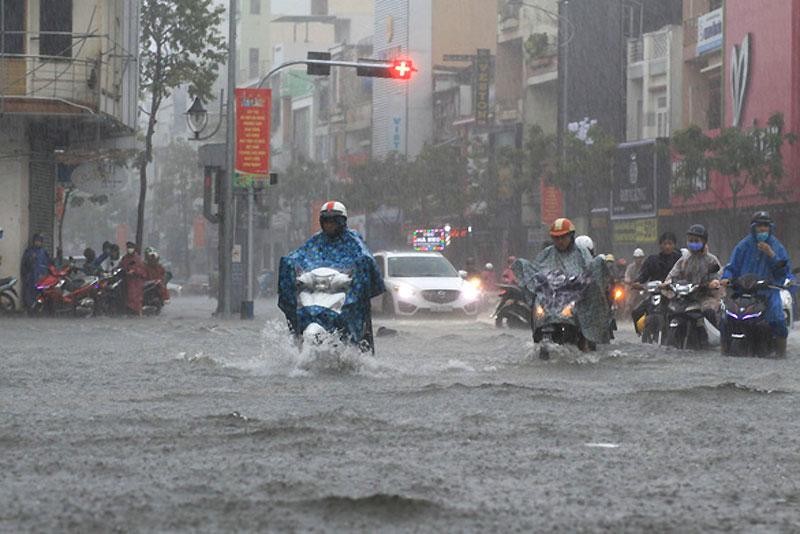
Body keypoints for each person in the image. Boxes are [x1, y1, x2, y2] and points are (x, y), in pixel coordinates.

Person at [278, 201, 384, 349]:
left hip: (344, 288)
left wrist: (358, 272)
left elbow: (365, 257)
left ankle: (355, 340)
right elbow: (299, 255)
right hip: (317, 287)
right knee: (299, 310)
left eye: (333, 221)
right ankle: (297, 332)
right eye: (326, 221)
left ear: (341, 222)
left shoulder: (353, 240)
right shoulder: (316, 240)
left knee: (356, 313)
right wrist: (289, 265)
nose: (329, 225)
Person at [512, 218, 611, 349]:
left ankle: (586, 340)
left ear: (571, 236)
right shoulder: (546, 253)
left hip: (576, 296)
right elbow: (537, 270)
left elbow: (590, 269)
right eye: (556, 238)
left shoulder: (581, 253)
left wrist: (583, 280)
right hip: (551, 297)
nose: (560, 241)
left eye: (563, 237)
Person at [720, 211, 793, 356]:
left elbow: (784, 271)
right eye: (759, 226)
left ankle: (781, 353)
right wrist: (726, 278)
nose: (762, 230)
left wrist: (771, 255)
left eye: (765, 226)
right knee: (726, 317)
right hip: (744, 291)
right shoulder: (743, 246)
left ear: (770, 228)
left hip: (768, 291)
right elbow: (731, 267)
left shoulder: (776, 247)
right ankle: (724, 350)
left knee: (777, 318)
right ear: (753, 227)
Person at [664, 224, 722, 326]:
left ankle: (715, 338)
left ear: (704, 242)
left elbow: (718, 277)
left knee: (709, 312)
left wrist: (713, 283)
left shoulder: (711, 260)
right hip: (686, 297)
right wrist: (666, 283)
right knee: (669, 311)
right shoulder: (684, 259)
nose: (693, 243)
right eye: (690, 241)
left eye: (696, 241)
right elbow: (673, 274)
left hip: (706, 297)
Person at [631, 232, 683, 333]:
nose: (667, 246)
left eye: (670, 243)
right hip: (656, 295)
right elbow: (643, 275)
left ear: (674, 245)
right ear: (660, 245)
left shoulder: (680, 259)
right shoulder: (652, 260)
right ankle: (641, 332)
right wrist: (638, 283)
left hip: (675, 296)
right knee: (636, 312)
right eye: (665, 244)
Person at [20, 233, 52, 310]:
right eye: (36, 241)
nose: (38, 243)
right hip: (31, 278)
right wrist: (25, 276)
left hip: (42, 278)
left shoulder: (44, 252)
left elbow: (49, 264)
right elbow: (24, 265)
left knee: (42, 294)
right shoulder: (29, 252)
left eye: (40, 241)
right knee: (30, 294)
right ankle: (31, 308)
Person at [119, 242, 146, 316]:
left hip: (136, 283)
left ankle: (137, 312)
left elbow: (143, 271)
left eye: (131, 247)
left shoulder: (137, 259)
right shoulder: (125, 258)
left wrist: (134, 271)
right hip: (126, 281)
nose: (129, 249)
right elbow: (120, 266)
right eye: (128, 247)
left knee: (135, 299)